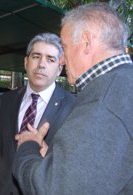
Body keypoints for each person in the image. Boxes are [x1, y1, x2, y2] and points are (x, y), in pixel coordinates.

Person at [12, 2, 133, 195]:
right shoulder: (123, 85)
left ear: (86, 42)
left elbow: (52, 189)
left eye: (65, 47)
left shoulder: (103, 103)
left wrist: (28, 146)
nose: (61, 60)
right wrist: (55, 160)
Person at [0, 32, 76, 195]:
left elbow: (73, 169)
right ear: (26, 62)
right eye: (36, 56)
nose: (41, 64)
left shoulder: (73, 106)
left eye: (50, 59)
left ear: (59, 68)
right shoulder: (7, 100)